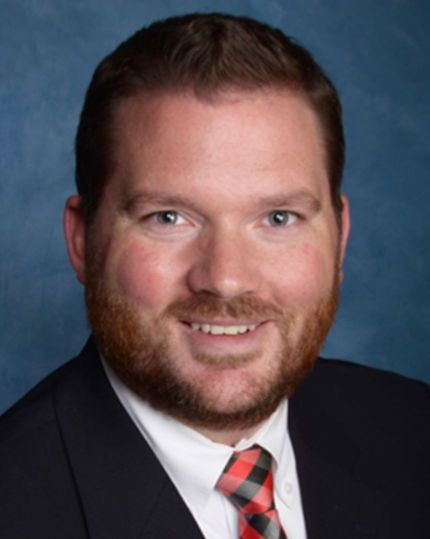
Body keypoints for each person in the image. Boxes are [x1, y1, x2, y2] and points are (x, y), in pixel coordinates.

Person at [0, 13, 429, 539]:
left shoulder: (414, 432)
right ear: (83, 242)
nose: (225, 279)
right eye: (168, 218)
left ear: (338, 239)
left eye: (278, 218)